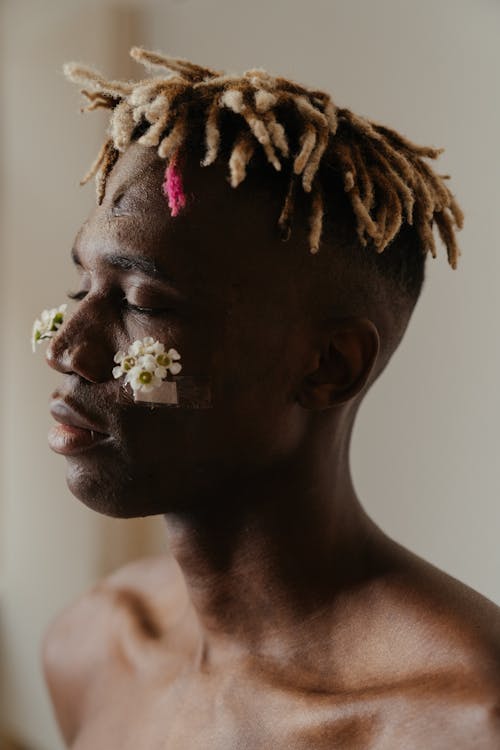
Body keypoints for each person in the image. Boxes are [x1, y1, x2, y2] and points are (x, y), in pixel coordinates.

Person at [41, 48, 500, 748]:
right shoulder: (91, 650)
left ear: (327, 368)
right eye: (83, 289)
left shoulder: (462, 720)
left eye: (144, 302)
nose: (67, 348)